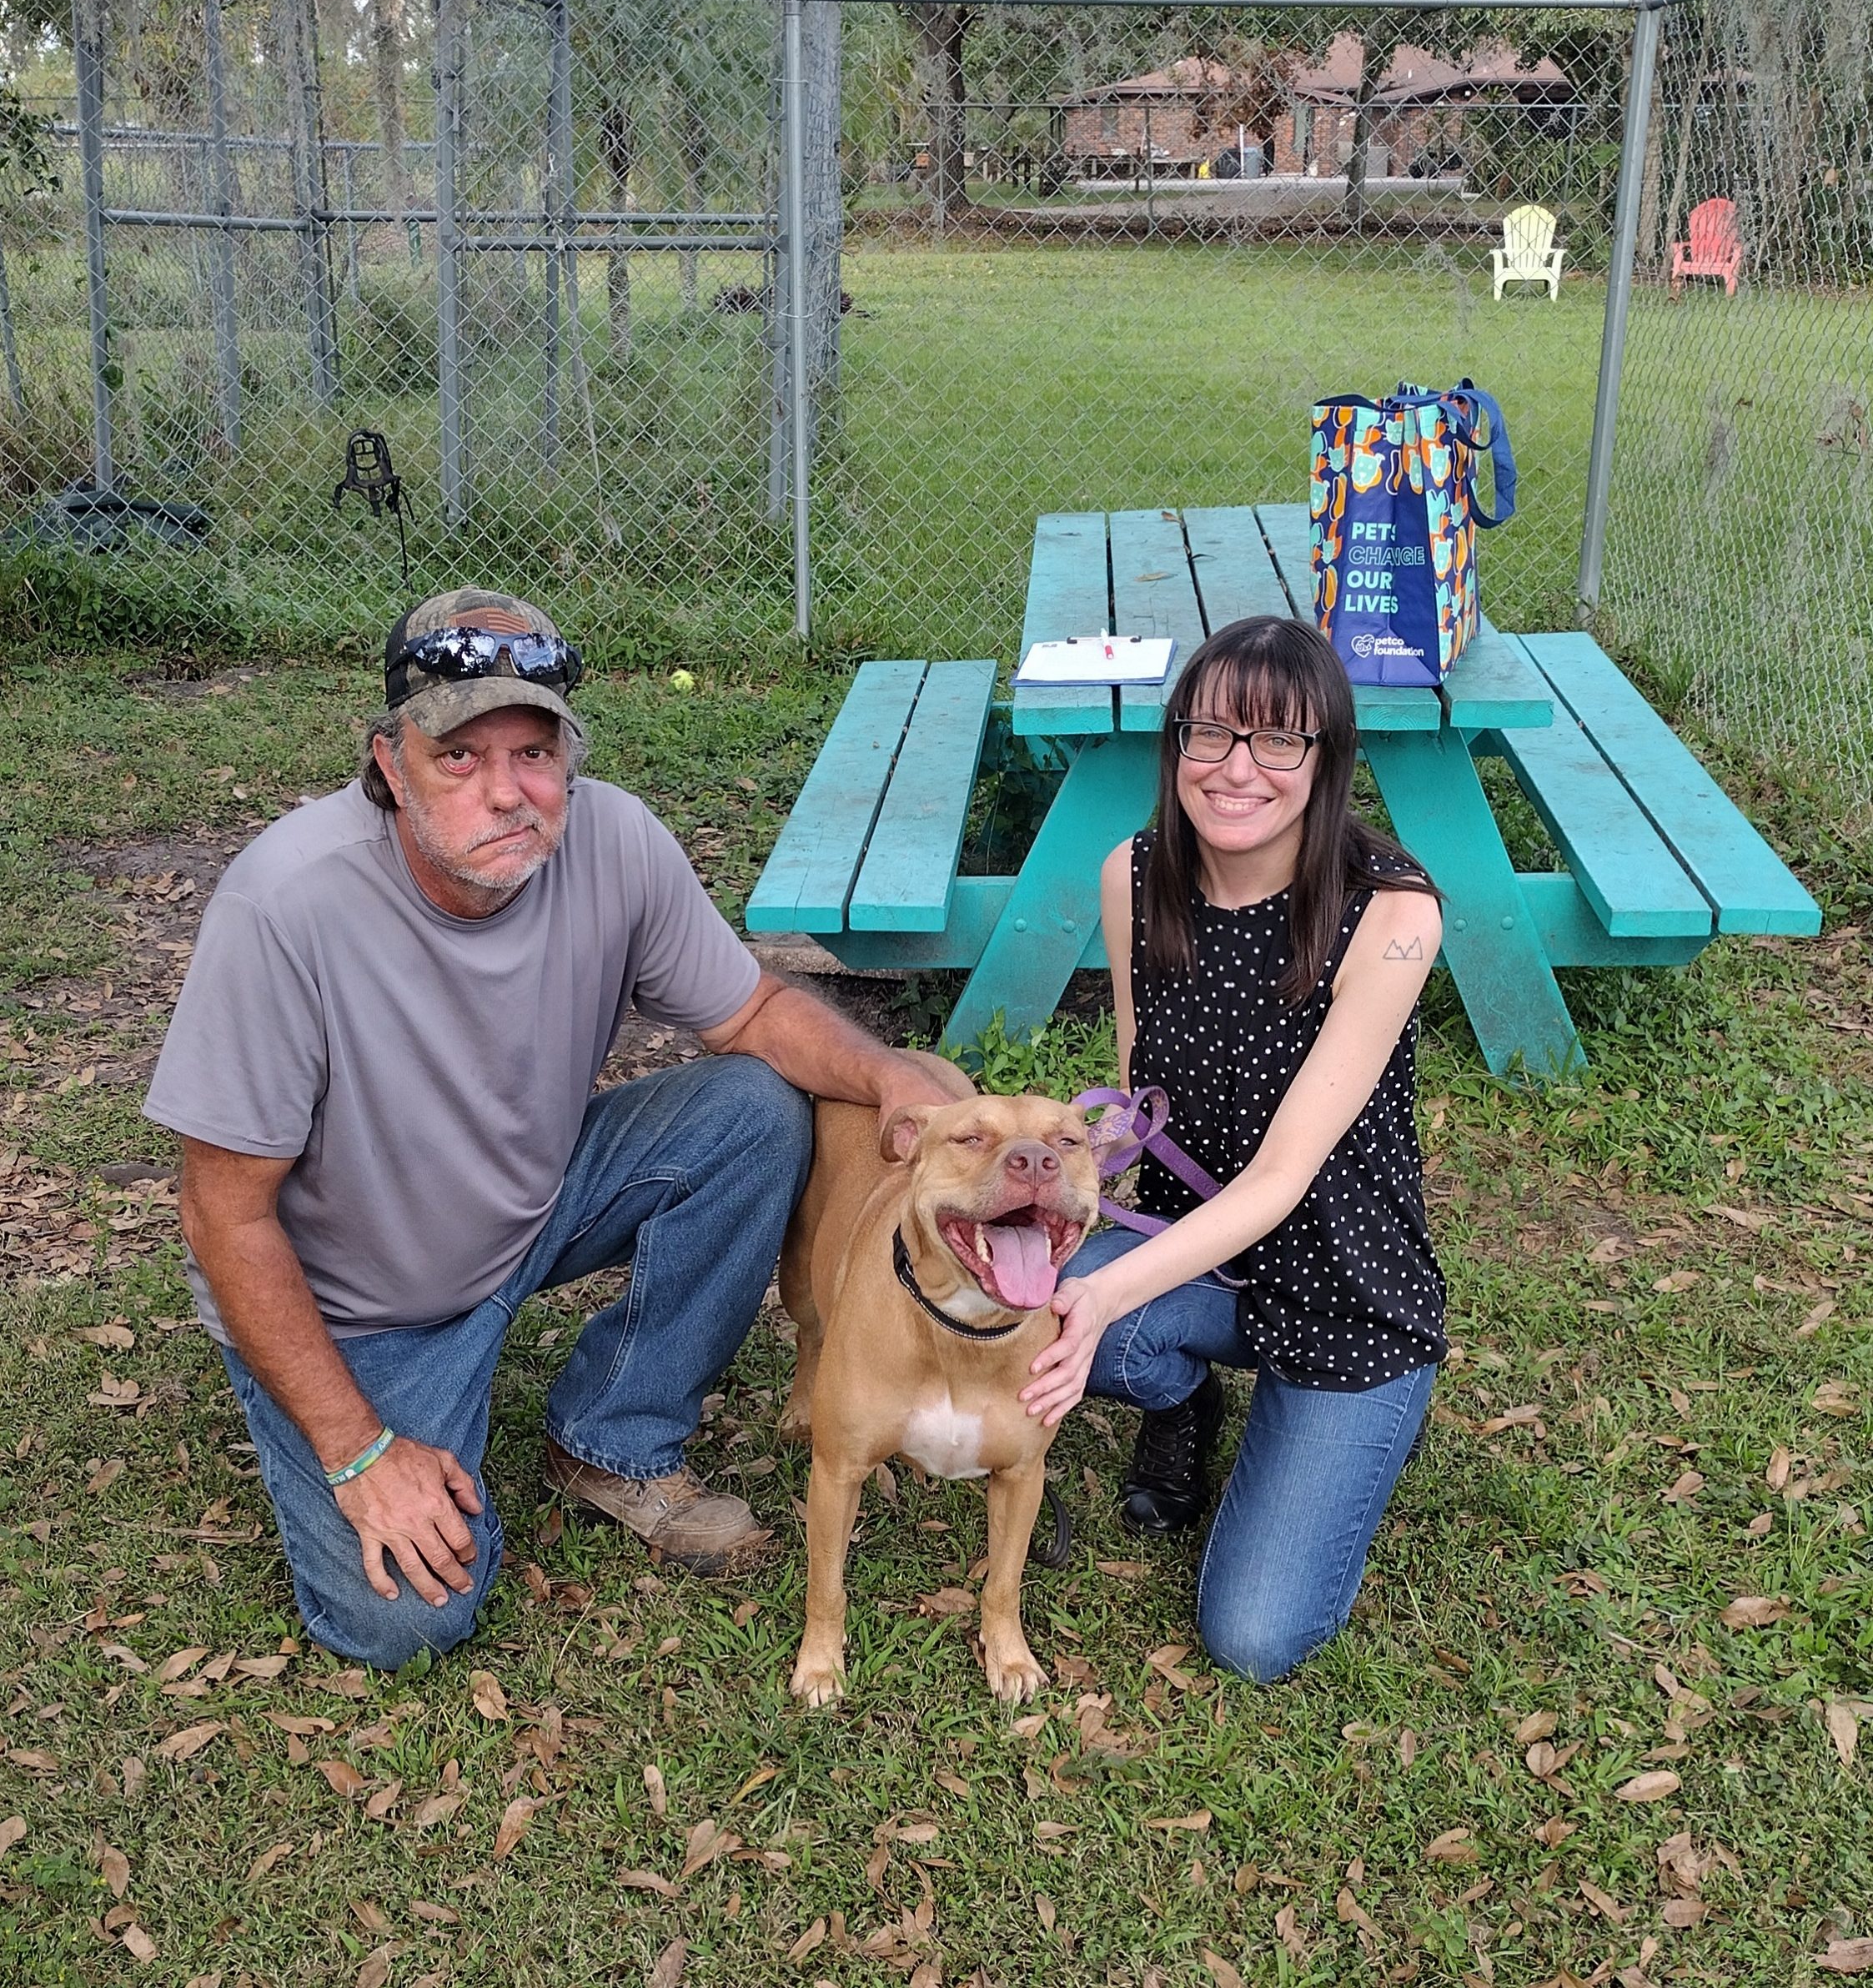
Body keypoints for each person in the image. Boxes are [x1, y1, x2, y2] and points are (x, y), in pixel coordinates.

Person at [144, 586, 957, 1671]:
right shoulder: (286, 906)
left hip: (526, 1203)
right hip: (361, 1305)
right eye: (460, 759)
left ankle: (613, 1438)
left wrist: (887, 1073)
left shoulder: (615, 843)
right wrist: (357, 1453)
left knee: (752, 1110)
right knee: (408, 1623)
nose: (507, 793)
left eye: (533, 753)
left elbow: (752, 1014)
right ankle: (362, 1425)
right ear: (389, 765)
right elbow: (221, 1216)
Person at [1021, 615, 1447, 1684]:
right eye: (1208, 734)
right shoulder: (1134, 871)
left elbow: (1279, 1179)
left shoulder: (1391, 913)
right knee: (1030, 1303)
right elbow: (1135, 1100)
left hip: (1343, 1292)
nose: (1235, 769)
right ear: (1174, 745)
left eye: (1277, 741)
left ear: (1327, 757)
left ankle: (1356, 1424)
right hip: (1194, 1250)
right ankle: (1186, 1403)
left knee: (1250, 1637)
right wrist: (1045, 1195)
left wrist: (1102, 1295)